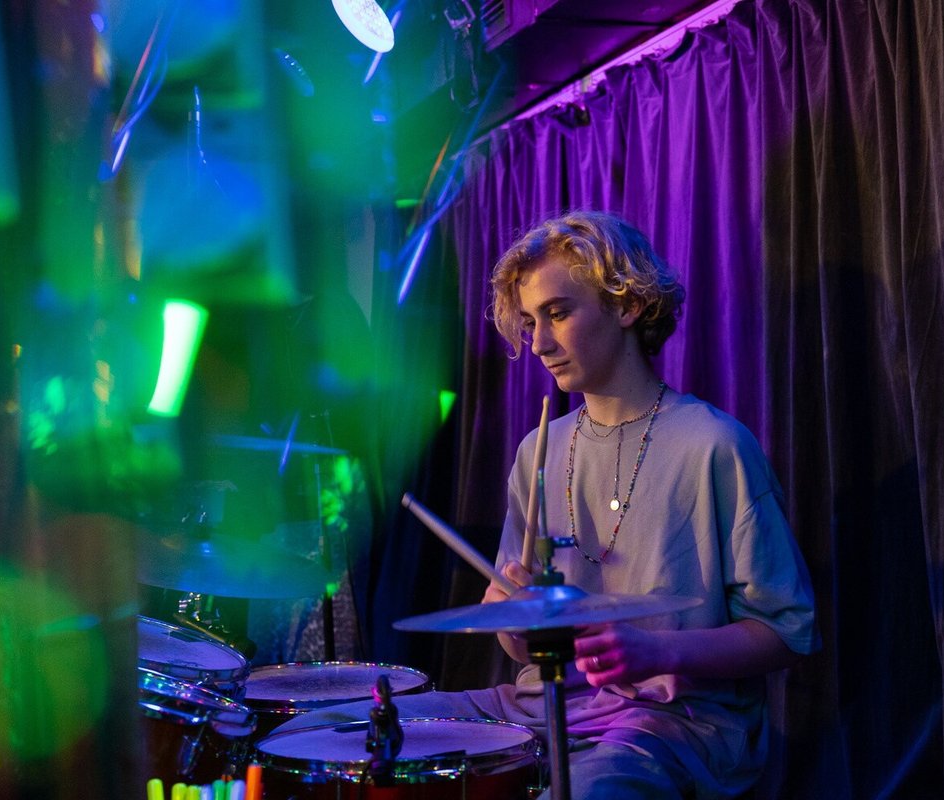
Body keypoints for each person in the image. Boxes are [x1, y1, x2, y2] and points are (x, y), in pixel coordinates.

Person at [271, 211, 819, 799]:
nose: (539, 344)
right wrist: (514, 617)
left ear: (628, 304)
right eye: (531, 321)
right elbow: (519, 647)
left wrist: (656, 651)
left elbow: (784, 631)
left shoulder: (714, 445)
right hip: (537, 704)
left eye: (557, 314)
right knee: (318, 732)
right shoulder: (539, 448)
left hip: (671, 723)